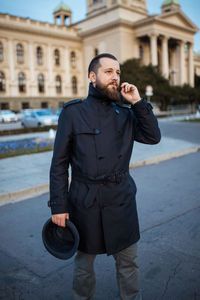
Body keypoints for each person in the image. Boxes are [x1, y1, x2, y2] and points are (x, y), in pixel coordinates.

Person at [49, 53, 161, 300]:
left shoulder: (126, 111)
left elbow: (153, 137)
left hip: (121, 201)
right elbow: (59, 164)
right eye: (108, 71)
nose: (115, 77)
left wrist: (138, 102)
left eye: (118, 72)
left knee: (129, 265)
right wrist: (58, 205)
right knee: (83, 269)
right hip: (84, 202)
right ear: (92, 76)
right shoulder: (73, 112)